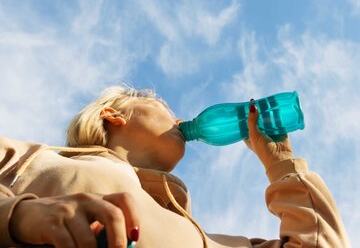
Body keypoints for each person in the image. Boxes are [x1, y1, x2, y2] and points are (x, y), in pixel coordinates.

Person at [0, 85, 351, 248]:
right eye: (160, 103)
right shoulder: (34, 158)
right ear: (114, 115)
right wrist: (21, 216)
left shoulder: (212, 241)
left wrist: (280, 163)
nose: (180, 116)